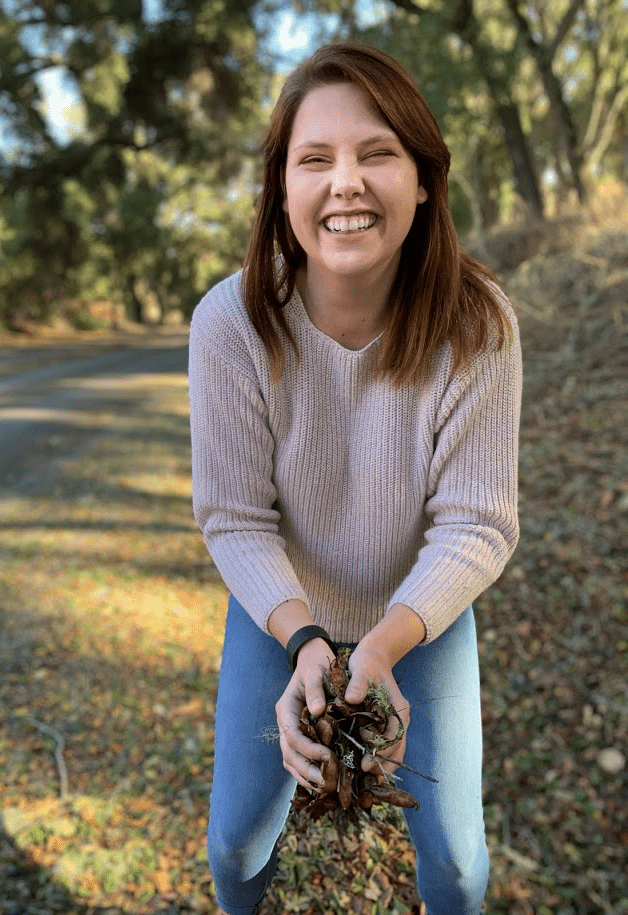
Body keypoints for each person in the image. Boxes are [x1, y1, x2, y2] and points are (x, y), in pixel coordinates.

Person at [188, 43, 521, 915]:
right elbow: (233, 516)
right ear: (282, 191)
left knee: (456, 860)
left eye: (378, 153)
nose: (347, 183)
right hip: (280, 609)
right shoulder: (231, 323)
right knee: (235, 839)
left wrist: (381, 647)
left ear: (422, 181)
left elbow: (477, 524)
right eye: (315, 159)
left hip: (421, 615)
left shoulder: (477, 324)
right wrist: (304, 642)